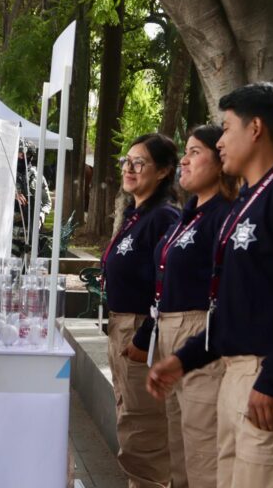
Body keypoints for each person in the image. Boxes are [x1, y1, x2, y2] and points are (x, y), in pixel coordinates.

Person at [147, 82, 273, 488]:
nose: (220, 141)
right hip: (237, 378)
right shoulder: (247, 201)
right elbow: (239, 306)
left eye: (226, 128)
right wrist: (185, 358)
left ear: (255, 128)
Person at [132, 125, 236, 487]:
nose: (185, 161)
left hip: (199, 331)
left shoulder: (225, 213)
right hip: (169, 332)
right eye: (185, 153)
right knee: (177, 444)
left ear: (221, 160)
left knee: (202, 446)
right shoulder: (190, 213)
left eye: (195, 152)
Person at [101, 133, 180, 488]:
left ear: (163, 172)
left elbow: (169, 284)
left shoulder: (164, 217)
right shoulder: (136, 213)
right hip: (120, 327)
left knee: (143, 432)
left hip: (140, 332)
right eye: (126, 161)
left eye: (139, 163)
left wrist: (146, 336)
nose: (129, 169)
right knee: (129, 421)